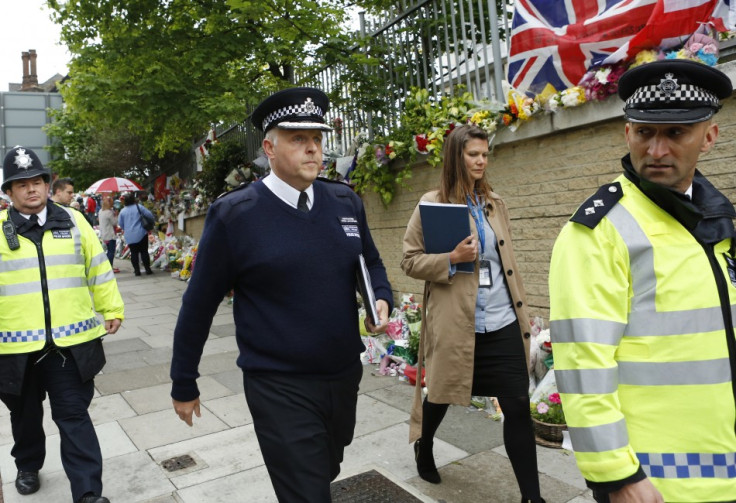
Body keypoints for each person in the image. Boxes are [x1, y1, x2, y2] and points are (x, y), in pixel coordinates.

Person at [169, 87, 393, 502]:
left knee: (327, 467)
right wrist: (184, 381)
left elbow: (372, 263)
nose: (312, 149)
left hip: (343, 375)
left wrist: (381, 296)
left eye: (317, 139)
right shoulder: (235, 214)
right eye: (298, 139)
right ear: (269, 148)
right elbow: (198, 303)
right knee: (307, 493)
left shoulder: (344, 200)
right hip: (278, 385)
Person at [549, 59, 736, 502]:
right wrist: (617, 477)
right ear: (626, 133)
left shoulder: (720, 218)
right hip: (655, 485)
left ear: (709, 137)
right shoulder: (598, 232)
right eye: (644, 132)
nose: (656, 150)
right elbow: (582, 368)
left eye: (675, 133)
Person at [401, 124, 544, 503]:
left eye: (484, 154)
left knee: (516, 405)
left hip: (501, 320)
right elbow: (409, 261)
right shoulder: (432, 204)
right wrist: (450, 258)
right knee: (442, 395)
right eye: (473, 154)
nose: (481, 161)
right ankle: (425, 444)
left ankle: (532, 497)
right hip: (457, 324)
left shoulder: (496, 204)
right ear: (455, 157)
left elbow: (505, 264)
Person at [0, 146, 124, 503]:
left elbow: (97, 266)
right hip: (15, 349)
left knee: (74, 416)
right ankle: (27, 464)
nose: (31, 189)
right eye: (21, 184)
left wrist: (111, 307)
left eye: (37, 181)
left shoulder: (74, 220)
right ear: (9, 192)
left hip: (69, 345)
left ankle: (87, 493)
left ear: (46, 183)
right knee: (24, 417)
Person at [117, 192, 154, 276]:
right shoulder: (139, 207)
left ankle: (137, 270)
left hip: (129, 235)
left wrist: (126, 228)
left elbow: (121, 224)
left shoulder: (122, 211)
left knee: (134, 253)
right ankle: (147, 269)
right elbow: (149, 215)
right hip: (141, 233)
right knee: (144, 251)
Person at [98, 195, 120, 273]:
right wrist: (116, 215)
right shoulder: (109, 212)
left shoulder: (101, 211)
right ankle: (109, 267)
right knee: (111, 252)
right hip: (110, 235)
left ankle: (107, 266)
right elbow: (114, 223)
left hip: (104, 234)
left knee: (108, 251)